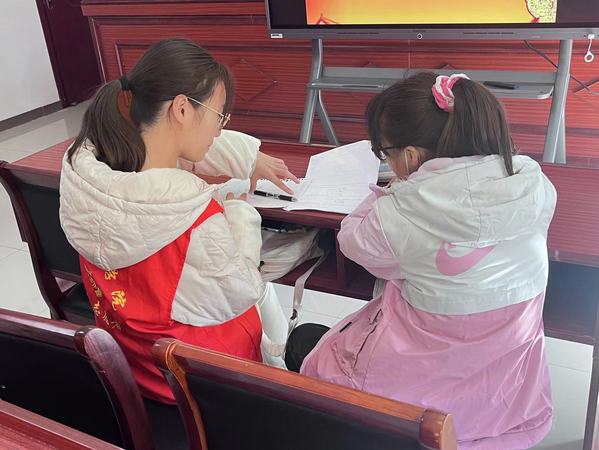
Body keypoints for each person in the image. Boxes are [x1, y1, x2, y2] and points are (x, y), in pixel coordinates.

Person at [288, 72, 556, 449]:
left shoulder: (401, 213)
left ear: (411, 156)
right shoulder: (536, 186)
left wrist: (394, 188)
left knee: (305, 346)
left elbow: (352, 241)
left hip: (405, 412)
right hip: (505, 407)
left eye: (385, 153)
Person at [59, 39, 293, 409]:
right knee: (265, 292)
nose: (219, 130)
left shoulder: (87, 177)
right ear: (182, 108)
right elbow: (242, 290)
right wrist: (240, 216)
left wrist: (249, 157)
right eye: (219, 116)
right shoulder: (195, 217)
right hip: (203, 383)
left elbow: (187, 142)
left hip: (134, 369)